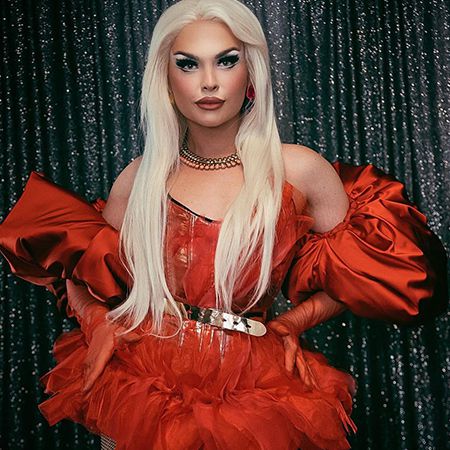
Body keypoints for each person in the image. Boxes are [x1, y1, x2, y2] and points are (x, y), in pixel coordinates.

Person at [0, 0, 447, 449]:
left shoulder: (298, 170)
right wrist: (96, 321)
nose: (209, 81)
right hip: (143, 388)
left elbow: (364, 270)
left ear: (251, 72)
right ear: (166, 79)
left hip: (255, 388)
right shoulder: (140, 179)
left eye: (227, 61)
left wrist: (293, 323)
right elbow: (77, 266)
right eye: (188, 64)